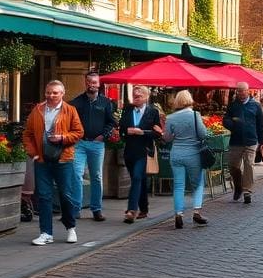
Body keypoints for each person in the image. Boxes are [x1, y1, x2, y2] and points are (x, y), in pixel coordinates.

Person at [22, 80, 84, 246]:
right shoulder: (37, 110)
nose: (51, 95)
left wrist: (62, 138)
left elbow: (78, 132)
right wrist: (33, 153)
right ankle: (46, 233)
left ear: (62, 93)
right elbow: (27, 134)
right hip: (41, 159)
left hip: (63, 158)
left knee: (66, 194)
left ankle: (71, 227)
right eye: (48, 92)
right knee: (43, 196)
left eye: (55, 93)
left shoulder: (70, 110)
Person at [69, 71, 115, 222]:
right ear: (85, 83)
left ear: (99, 84)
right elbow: (69, 122)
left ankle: (96, 209)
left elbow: (111, 122)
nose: (92, 85)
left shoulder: (105, 102)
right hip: (79, 144)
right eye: (89, 82)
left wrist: (104, 135)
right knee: (76, 175)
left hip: (97, 144)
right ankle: (75, 209)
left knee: (96, 176)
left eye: (95, 82)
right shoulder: (76, 103)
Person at [162, 90, 209, 229]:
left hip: (176, 154)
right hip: (193, 154)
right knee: (198, 184)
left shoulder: (171, 117)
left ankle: (178, 214)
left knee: (178, 185)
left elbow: (167, 138)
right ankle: (196, 211)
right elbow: (203, 134)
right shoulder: (195, 115)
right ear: (190, 100)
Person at [118, 85, 163, 224]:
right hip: (130, 151)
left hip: (144, 151)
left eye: (139, 96)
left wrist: (142, 132)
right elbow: (122, 129)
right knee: (139, 180)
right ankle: (144, 208)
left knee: (137, 177)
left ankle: (131, 210)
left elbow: (157, 133)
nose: (136, 98)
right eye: (134, 96)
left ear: (146, 97)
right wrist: (126, 132)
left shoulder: (153, 112)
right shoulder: (127, 109)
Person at [223, 81, 263, 204]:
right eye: (239, 91)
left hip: (251, 140)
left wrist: (262, 141)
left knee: (249, 165)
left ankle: (247, 191)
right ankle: (238, 186)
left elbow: (261, 124)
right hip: (235, 141)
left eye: (243, 91)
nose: (241, 93)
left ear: (248, 91)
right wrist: (232, 124)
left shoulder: (255, 106)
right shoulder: (232, 105)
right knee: (233, 166)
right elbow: (225, 119)